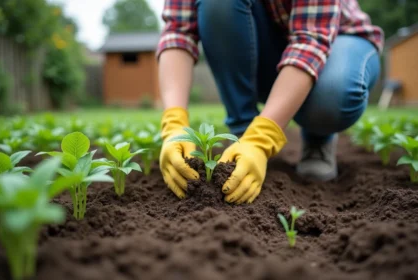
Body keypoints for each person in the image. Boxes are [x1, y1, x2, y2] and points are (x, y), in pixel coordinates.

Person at [157, 0, 384, 205]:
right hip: (268, 47)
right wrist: (174, 124)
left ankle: (317, 136)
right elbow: (178, 31)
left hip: (340, 40)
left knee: (332, 96)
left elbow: (310, 41)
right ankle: (241, 137)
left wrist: (261, 139)